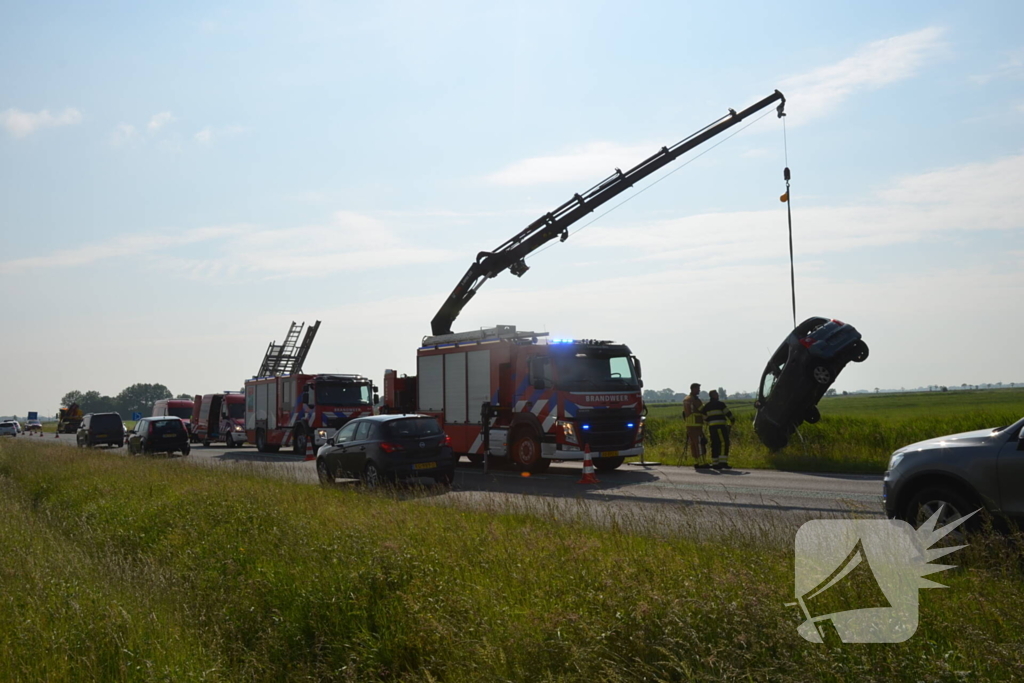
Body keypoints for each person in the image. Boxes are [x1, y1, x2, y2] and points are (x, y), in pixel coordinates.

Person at [701, 390, 735, 469]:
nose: (718, 395)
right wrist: (732, 420)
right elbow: (728, 414)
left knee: (714, 444)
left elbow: (704, 417)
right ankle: (722, 462)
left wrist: (710, 420)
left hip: (712, 427)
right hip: (720, 427)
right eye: (716, 394)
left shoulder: (707, 406)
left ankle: (715, 463)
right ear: (713, 396)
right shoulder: (720, 404)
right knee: (724, 443)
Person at [682, 383, 710, 468]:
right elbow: (702, 410)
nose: (699, 390)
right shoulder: (695, 399)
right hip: (696, 425)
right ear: (693, 389)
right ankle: (702, 463)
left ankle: (696, 462)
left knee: (693, 444)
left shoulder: (686, 399)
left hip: (689, 425)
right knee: (699, 443)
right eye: (698, 389)